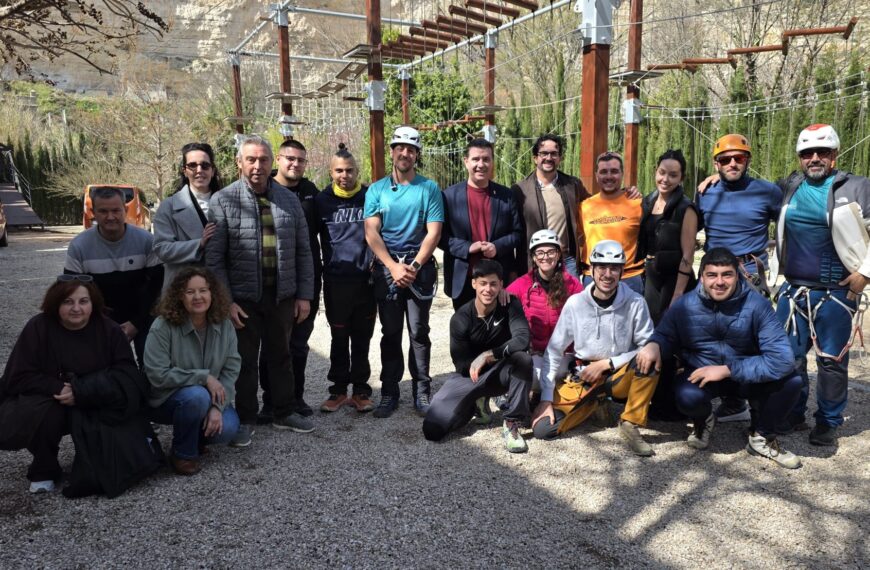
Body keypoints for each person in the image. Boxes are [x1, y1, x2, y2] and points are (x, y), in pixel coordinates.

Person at [637, 248, 802, 469]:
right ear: (702, 277)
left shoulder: (757, 306)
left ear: (738, 275)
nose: (719, 282)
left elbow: (782, 359)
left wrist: (728, 369)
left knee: (792, 381)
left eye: (727, 274)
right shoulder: (684, 305)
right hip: (703, 374)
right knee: (686, 395)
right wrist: (654, 344)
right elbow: (665, 333)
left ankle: (762, 436)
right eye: (712, 275)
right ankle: (703, 420)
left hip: (745, 374)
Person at [0, 277, 161, 496]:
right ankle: (44, 466)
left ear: (93, 303)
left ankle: (94, 459)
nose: (76, 308)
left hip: (96, 398)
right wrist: (57, 388)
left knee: (102, 473)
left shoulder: (109, 329)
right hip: (53, 400)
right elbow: (17, 376)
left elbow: (128, 376)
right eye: (68, 302)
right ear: (56, 303)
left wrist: (83, 391)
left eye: (83, 301)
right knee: (47, 414)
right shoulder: (38, 327)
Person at [205, 135, 315, 446]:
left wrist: (304, 295)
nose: (257, 165)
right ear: (239, 162)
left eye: (263, 159)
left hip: (282, 295)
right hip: (242, 299)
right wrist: (225, 301)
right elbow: (215, 259)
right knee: (243, 359)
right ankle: (246, 417)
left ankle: (283, 410)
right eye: (251, 160)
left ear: (272, 163)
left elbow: (305, 251)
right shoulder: (223, 200)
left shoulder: (290, 200)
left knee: (281, 355)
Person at [773, 124, 870, 446]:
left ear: (835, 154)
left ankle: (828, 421)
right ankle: (794, 413)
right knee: (791, 358)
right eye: (807, 153)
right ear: (800, 158)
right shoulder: (789, 186)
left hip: (835, 293)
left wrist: (865, 275)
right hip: (794, 289)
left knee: (831, 360)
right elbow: (750, 192)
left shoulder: (857, 187)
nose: (814, 158)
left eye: (822, 152)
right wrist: (712, 179)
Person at [536, 241, 659, 457]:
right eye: (601, 267)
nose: (607, 274)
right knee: (543, 430)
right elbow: (554, 351)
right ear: (591, 270)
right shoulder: (576, 303)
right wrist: (546, 397)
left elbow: (646, 344)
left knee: (650, 360)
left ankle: (630, 422)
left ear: (622, 271)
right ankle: (594, 403)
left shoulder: (635, 302)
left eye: (614, 268)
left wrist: (608, 363)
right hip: (584, 376)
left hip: (618, 374)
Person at [695, 133, 782, 424]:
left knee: (751, 337)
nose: (732, 163)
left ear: (748, 160)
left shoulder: (768, 192)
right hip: (713, 274)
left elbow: (790, 227)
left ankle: (756, 404)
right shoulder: (706, 192)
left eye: (739, 158)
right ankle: (728, 399)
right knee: (712, 334)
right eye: (725, 159)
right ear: (716, 163)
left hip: (748, 273)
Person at [364, 126, 444, 418]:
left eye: (410, 149)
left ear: (416, 154)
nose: (405, 153)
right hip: (388, 267)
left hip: (417, 268)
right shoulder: (377, 190)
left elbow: (433, 232)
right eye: (400, 148)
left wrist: (414, 266)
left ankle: (422, 392)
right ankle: (389, 391)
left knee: (419, 331)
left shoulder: (428, 189)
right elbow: (371, 231)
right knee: (391, 332)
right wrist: (391, 265)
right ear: (393, 151)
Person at [423, 260, 533, 453]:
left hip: (501, 373)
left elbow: (522, 339)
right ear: (474, 283)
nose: (488, 289)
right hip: (470, 376)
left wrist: (489, 354)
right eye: (483, 283)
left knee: (523, 360)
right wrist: (476, 384)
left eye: (493, 284)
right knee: (433, 430)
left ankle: (511, 423)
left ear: (501, 284)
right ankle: (477, 403)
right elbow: (462, 365)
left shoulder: (510, 304)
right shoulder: (461, 318)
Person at [144, 267, 241, 475]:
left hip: (208, 397)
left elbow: (231, 369)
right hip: (167, 399)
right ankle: (183, 454)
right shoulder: (162, 326)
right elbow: (156, 374)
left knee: (229, 428)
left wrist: (217, 406)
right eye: (190, 292)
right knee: (196, 396)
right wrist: (203, 377)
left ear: (212, 293)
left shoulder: (224, 323)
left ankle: (193, 436)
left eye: (203, 290)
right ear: (180, 296)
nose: (198, 297)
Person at [258, 138, 322, 421]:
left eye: (301, 160)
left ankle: (296, 397)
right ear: (278, 160)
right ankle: (270, 400)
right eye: (290, 158)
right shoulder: (265, 190)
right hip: (273, 279)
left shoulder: (310, 192)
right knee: (272, 343)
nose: (295, 164)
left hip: (307, 277)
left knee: (298, 343)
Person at [64, 186, 164, 365]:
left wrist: (135, 323)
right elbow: (72, 293)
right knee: (99, 368)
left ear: (125, 210)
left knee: (153, 364)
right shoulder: (79, 247)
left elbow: (155, 288)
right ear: (93, 212)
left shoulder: (147, 242)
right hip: (97, 318)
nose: (110, 217)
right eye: (103, 211)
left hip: (141, 313)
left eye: (116, 210)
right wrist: (105, 326)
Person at [314, 144, 377, 413]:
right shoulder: (321, 201)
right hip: (336, 282)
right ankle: (338, 390)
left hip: (366, 281)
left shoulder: (369, 196)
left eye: (349, 170)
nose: (344, 175)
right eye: (339, 170)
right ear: (331, 172)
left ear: (357, 171)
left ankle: (361, 390)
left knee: (362, 338)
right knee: (339, 339)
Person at [639, 149, 700, 421]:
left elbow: (688, 255)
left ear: (681, 177)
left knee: (669, 339)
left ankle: (669, 403)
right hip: (652, 278)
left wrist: (678, 294)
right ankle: (653, 396)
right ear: (655, 171)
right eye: (662, 172)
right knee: (651, 335)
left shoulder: (686, 208)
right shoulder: (648, 202)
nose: (666, 179)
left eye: (673, 175)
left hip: (674, 281)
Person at [440, 138, 523, 308]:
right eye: (476, 159)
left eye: (486, 159)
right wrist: (467, 248)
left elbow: (518, 233)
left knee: (498, 330)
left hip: (497, 279)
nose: (481, 164)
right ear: (466, 162)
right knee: (465, 329)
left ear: (492, 162)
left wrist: (497, 246)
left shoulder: (506, 195)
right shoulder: (448, 196)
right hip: (464, 279)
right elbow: (440, 237)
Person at [505, 229, 583, 386]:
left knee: (559, 374)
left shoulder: (572, 284)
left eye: (551, 252)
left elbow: (585, 319)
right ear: (534, 257)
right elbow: (503, 301)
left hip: (563, 352)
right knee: (535, 376)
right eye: (540, 252)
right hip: (536, 352)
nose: (545, 257)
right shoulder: (522, 284)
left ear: (559, 254)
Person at [512, 134, 589, 277]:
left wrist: (621, 194)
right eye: (544, 153)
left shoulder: (572, 185)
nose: (549, 158)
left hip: (567, 261)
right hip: (535, 261)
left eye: (554, 153)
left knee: (571, 300)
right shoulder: (520, 190)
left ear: (560, 158)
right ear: (535, 158)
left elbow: (595, 204)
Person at [153, 142, 223, 290]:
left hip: (220, 288)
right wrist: (199, 243)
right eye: (192, 165)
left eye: (205, 165)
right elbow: (162, 249)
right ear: (184, 170)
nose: (199, 170)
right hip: (182, 289)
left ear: (213, 170)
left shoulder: (229, 202)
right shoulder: (169, 206)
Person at [579, 151, 644, 294]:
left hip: (629, 278)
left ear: (622, 174)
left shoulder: (638, 204)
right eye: (603, 172)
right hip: (593, 277)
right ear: (597, 175)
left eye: (614, 171)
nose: (609, 176)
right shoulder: (584, 207)